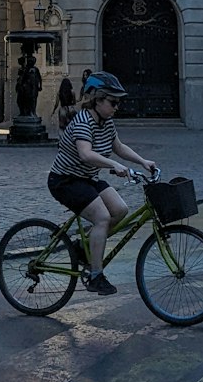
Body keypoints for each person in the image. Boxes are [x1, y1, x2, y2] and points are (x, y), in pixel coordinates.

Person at [48, 72, 157, 295]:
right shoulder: (82, 122)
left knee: (120, 210)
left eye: (118, 102)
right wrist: (113, 166)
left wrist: (143, 161)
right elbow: (86, 154)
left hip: (87, 178)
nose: (117, 107)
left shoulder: (106, 121)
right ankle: (96, 275)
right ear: (97, 100)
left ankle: (83, 248)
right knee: (102, 217)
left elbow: (118, 147)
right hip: (65, 181)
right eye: (113, 102)